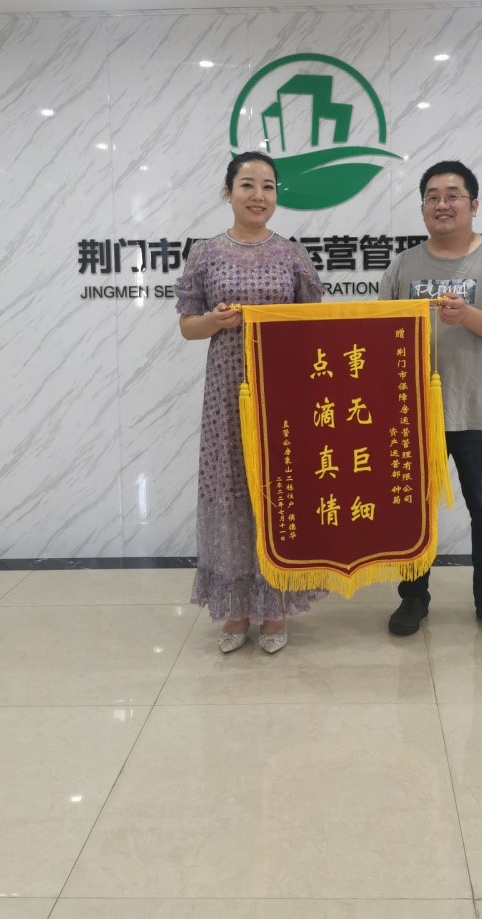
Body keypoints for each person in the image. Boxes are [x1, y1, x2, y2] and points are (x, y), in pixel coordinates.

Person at [379, 160, 482, 639]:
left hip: (479, 412)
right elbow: (379, 334)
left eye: (452, 195)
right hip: (413, 414)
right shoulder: (404, 264)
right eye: (432, 197)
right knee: (412, 512)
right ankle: (413, 598)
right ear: (423, 207)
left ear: (473, 204)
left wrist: (468, 315)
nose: (441, 204)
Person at [175, 151, 325, 654]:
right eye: (247, 185)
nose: (258, 195)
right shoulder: (205, 254)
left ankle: (275, 605)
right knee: (231, 490)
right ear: (228, 192)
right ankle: (236, 608)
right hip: (226, 392)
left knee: (277, 489)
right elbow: (188, 326)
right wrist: (214, 321)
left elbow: (313, 325)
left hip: (283, 391)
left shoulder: (292, 256)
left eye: (268, 186)